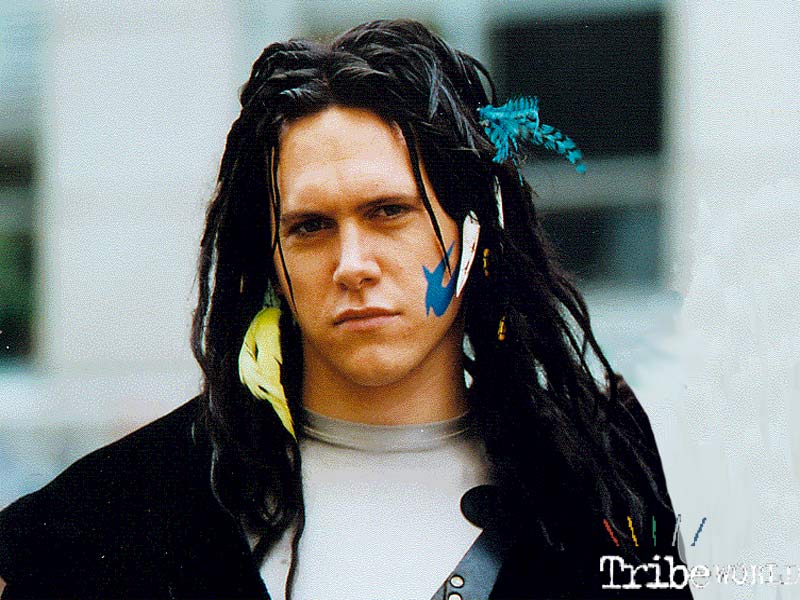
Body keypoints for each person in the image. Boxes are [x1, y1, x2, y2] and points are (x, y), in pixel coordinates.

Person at [0, 19, 692, 599]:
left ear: (474, 231)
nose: (352, 264)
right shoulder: (109, 515)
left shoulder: (594, 485)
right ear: (270, 260)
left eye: (388, 212)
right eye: (310, 226)